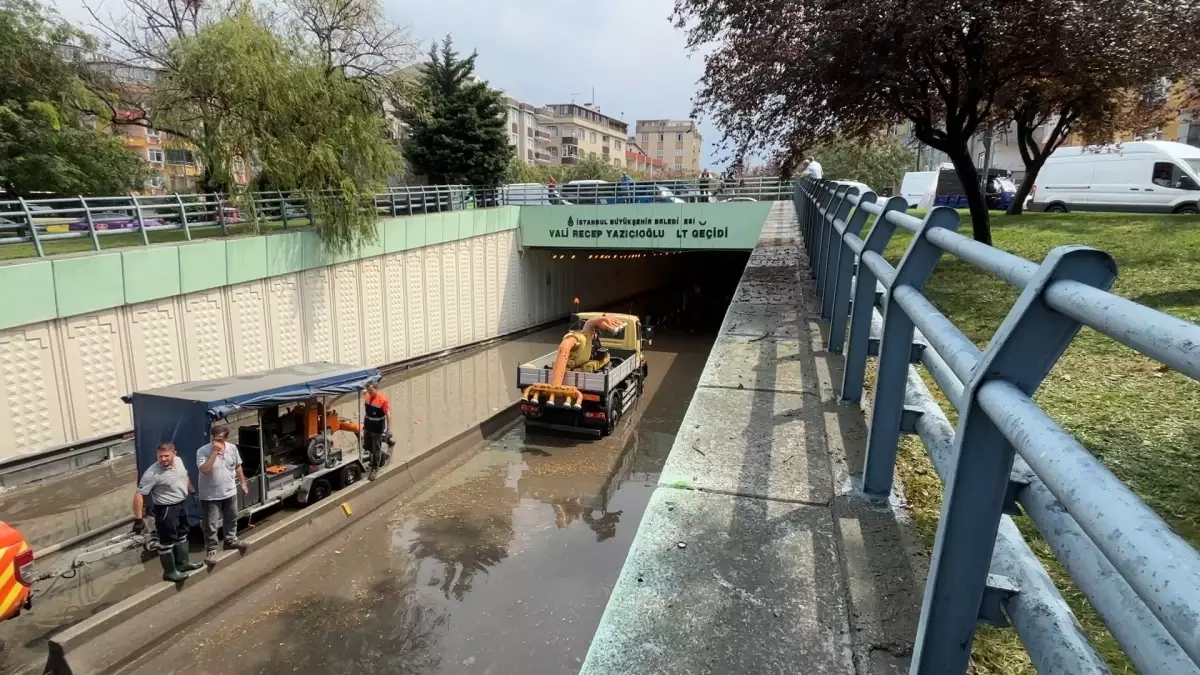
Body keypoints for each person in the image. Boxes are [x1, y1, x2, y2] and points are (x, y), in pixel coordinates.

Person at [133, 442, 203, 582]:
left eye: (166, 456)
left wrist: (192, 491)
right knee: (167, 540)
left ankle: (183, 564)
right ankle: (170, 572)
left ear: (174, 454)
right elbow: (139, 495)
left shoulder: (179, 461)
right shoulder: (152, 473)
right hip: (166, 509)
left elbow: (184, 477)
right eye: (160, 456)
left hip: (181, 504)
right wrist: (138, 519)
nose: (163, 459)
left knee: (183, 533)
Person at [196, 424, 249, 563]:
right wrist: (214, 452)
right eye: (215, 439)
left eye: (220, 439)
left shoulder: (232, 449)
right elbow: (205, 470)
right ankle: (212, 549)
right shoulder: (202, 451)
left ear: (226, 438)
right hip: (210, 495)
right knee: (211, 523)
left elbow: (237, 466)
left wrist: (242, 483)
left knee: (231, 517)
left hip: (230, 491)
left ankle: (230, 540)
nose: (217, 442)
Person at [363, 381, 391, 481]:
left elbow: (388, 414)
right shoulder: (367, 395)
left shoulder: (382, 400)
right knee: (366, 446)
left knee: (376, 450)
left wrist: (389, 429)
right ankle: (382, 456)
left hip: (377, 429)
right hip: (367, 427)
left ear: (376, 389)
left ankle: (375, 468)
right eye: (368, 390)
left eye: (371, 390)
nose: (369, 392)